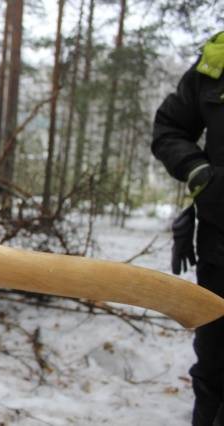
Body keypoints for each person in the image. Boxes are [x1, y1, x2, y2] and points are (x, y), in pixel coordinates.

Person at [152, 31, 224, 426]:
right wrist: (202, 179)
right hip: (219, 243)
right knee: (213, 368)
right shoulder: (216, 64)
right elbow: (168, 127)